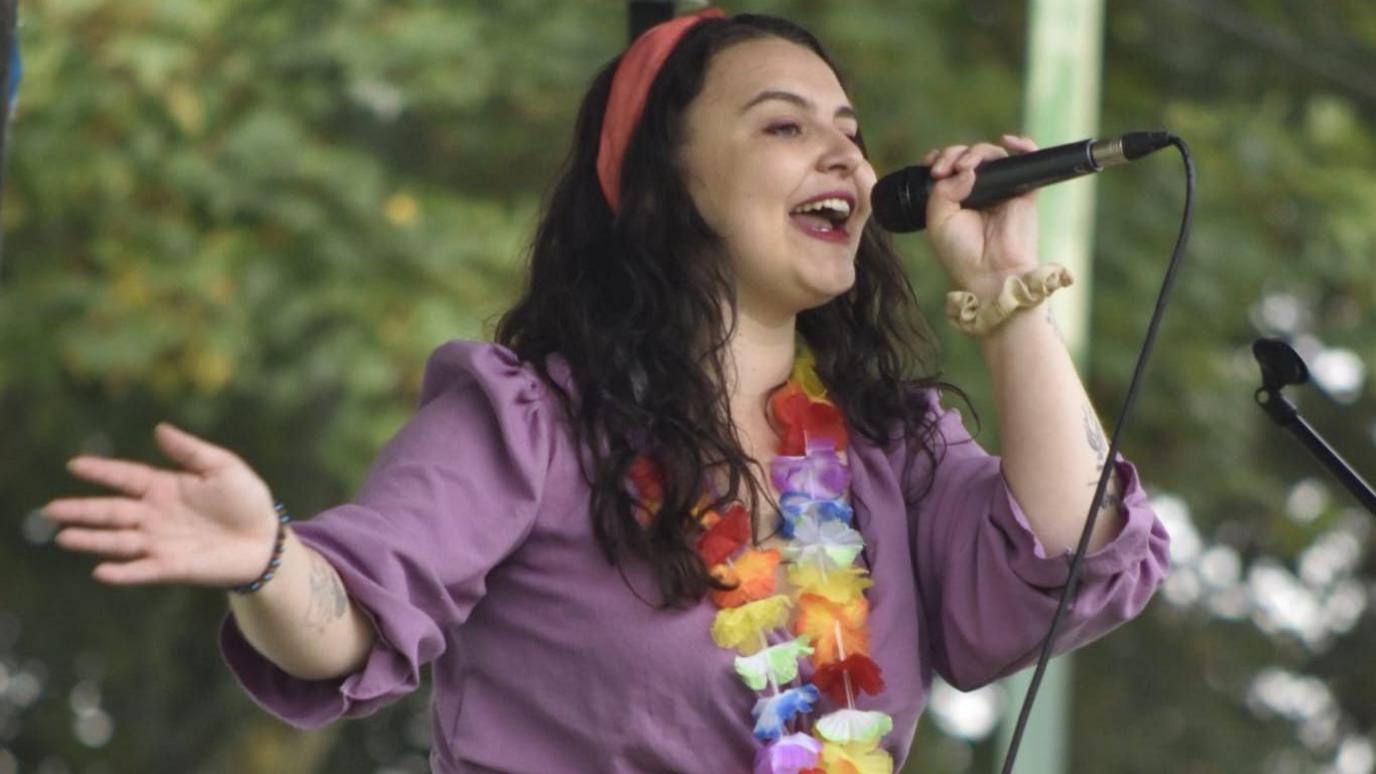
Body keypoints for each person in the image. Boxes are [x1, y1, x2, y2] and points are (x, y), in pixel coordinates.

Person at [43, 9, 1170, 773]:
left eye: (851, 133)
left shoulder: (889, 451)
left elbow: (1073, 551)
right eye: (784, 125)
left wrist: (1006, 290)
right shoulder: (530, 426)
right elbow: (343, 625)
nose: (846, 159)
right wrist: (268, 558)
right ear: (662, 179)